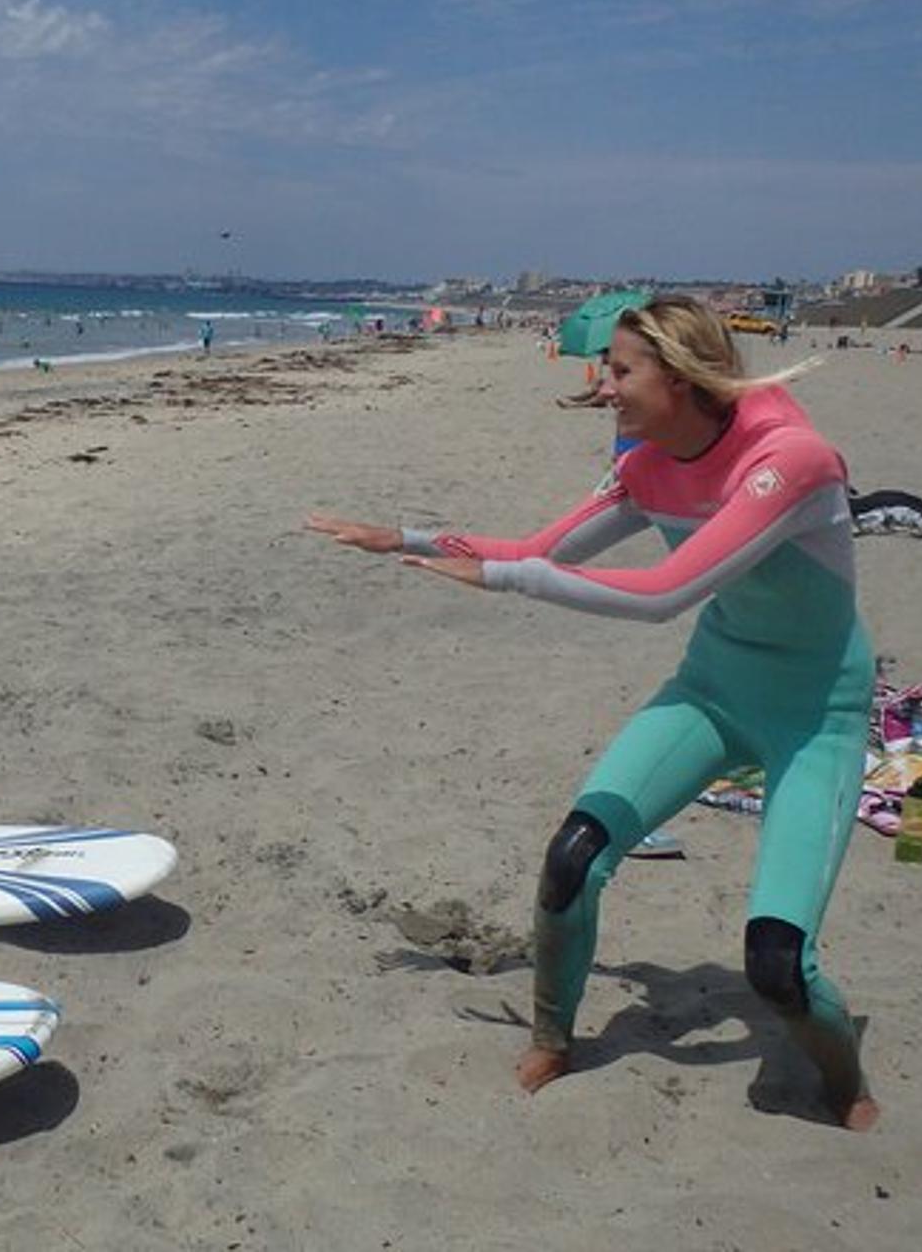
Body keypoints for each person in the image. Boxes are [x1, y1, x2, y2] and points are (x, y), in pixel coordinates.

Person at [304, 297, 879, 1130]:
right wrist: (404, 537)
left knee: (776, 961)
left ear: (678, 377)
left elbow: (661, 594)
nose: (603, 386)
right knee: (573, 858)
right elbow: (542, 549)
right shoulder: (648, 466)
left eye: (619, 369)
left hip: (817, 715)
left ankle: (844, 1081)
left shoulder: (790, 461)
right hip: (714, 690)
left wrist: (503, 581)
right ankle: (553, 1035)